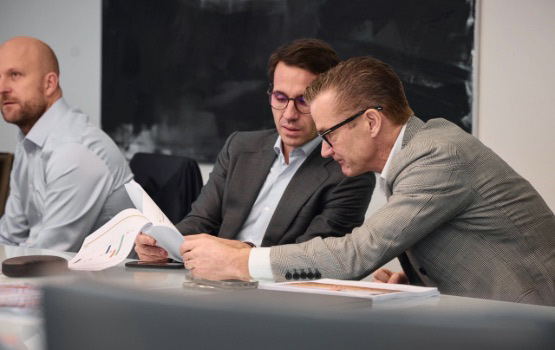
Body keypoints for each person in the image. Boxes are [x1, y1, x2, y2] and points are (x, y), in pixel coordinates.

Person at [180, 56, 555, 306]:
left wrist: (242, 262)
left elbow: (355, 254)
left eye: (328, 135)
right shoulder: (419, 153)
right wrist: (416, 279)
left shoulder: (438, 157)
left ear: (372, 122)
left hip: (532, 319)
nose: (325, 151)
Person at [135, 39, 375, 262]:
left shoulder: (349, 173)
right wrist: (163, 244)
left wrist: (240, 254)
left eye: (303, 101)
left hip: (276, 297)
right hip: (209, 284)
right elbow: (200, 220)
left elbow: (314, 259)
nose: (289, 115)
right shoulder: (239, 147)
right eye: (280, 98)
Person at [0, 37, 133, 252]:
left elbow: (48, 257)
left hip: (103, 283)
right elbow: (9, 235)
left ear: (49, 84)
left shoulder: (75, 151)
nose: (2, 87)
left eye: (15, 75)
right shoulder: (29, 142)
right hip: (56, 276)